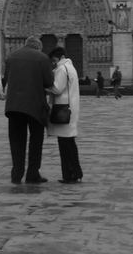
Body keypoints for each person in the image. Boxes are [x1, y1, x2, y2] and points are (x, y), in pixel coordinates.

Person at [2, 35, 53, 184]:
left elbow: (6, 79)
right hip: (35, 105)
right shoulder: (42, 58)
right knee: (35, 141)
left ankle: (16, 174)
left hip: (14, 106)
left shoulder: (11, 57)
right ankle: (32, 174)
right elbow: (49, 82)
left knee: (16, 141)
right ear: (38, 46)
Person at [47, 47, 83, 184]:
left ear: (61, 57)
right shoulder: (70, 67)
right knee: (69, 143)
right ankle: (75, 172)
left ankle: (70, 175)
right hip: (70, 109)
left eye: (54, 60)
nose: (54, 63)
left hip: (63, 111)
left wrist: (44, 86)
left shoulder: (62, 69)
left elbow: (57, 88)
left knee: (65, 144)